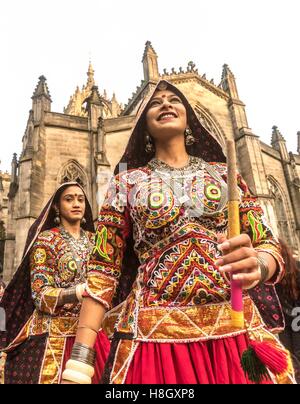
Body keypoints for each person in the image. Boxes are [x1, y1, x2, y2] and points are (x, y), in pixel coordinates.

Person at [62, 80, 295, 385]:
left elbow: (266, 242)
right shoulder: (125, 183)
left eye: (174, 100)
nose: (166, 104)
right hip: (155, 340)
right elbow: (103, 270)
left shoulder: (226, 175)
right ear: (143, 125)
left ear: (189, 120)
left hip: (235, 330)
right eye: (155, 103)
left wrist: (260, 265)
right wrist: (80, 360)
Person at [0, 182, 110, 384]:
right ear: (57, 207)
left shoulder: (97, 242)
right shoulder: (46, 241)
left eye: (80, 199)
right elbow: (40, 295)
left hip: (93, 336)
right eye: (69, 199)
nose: (76, 203)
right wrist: (77, 292)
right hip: (54, 338)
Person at [276, 239, 300, 383]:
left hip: (284, 321)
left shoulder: (273, 277)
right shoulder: (296, 269)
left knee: (290, 358)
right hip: (295, 318)